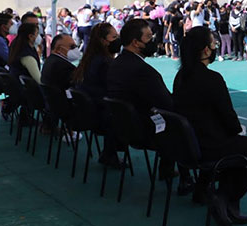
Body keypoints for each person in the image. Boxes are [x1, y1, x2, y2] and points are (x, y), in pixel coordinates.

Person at [173, 26, 247, 226]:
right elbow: (228, 117)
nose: (215, 45)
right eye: (212, 42)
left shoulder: (181, 76)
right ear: (205, 50)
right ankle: (225, 196)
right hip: (210, 145)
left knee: (238, 146)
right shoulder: (212, 78)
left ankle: (222, 199)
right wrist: (238, 130)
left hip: (188, 145)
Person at [106, 19, 193, 193]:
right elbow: (167, 104)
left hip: (122, 127)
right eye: (148, 37)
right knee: (181, 122)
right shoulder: (142, 71)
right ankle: (188, 179)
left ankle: (167, 169)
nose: (152, 41)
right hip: (143, 130)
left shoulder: (115, 64)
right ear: (135, 43)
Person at [72, 23, 124, 168]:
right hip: (101, 115)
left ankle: (109, 153)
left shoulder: (90, 58)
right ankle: (110, 153)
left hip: (88, 112)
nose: (117, 40)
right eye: (114, 37)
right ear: (103, 41)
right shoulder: (105, 62)